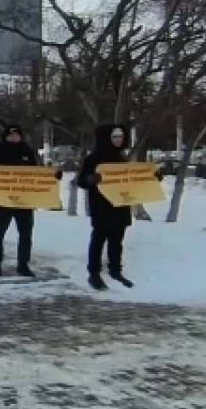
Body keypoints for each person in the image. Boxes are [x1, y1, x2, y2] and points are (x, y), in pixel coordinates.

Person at [0, 123, 60, 278]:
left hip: (25, 201)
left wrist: (53, 176)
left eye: (17, 135)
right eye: (11, 135)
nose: (14, 138)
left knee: (25, 234)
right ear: (5, 136)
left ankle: (23, 264)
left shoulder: (27, 151)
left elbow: (38, 173)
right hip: (3, 200)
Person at [77, 124, 136, 290]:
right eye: (114, 137)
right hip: (101, 206)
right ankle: (93, 273)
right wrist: (90, 179)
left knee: (117, 240)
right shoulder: (93, 159)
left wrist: (150, 177)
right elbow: (81, 181)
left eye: (120, 137)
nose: (118, 140)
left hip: (120, 205)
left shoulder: (122, 158)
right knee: (98, 239)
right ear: (106, 138)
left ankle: (115, 270)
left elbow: (132, 179)